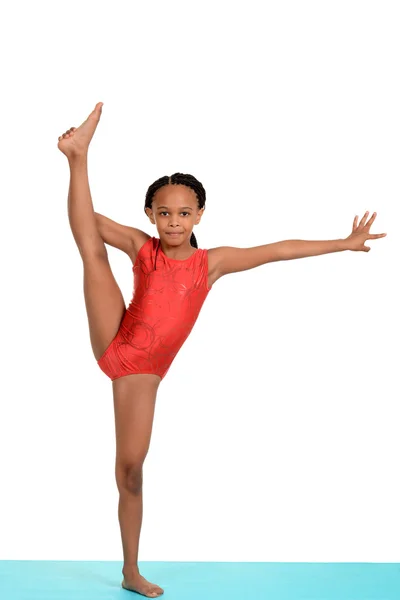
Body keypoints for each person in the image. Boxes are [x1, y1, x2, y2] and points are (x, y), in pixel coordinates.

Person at [57, 102, 387, 598]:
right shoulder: (141, 246)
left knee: (130, 471)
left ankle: (130, 570)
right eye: (163, 213)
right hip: (114, 338)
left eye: (183, 214)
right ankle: (78, 155)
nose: (173, 223)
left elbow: (277, 249)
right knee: (89, 247)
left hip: (140, 371)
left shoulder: (211, 264)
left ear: (200, 214)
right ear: (150, 214)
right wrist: (76, 165)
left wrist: (342, 243)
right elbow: (84, 220)